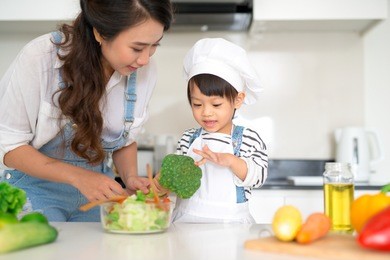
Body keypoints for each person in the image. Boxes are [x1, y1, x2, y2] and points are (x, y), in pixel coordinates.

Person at [0, 0, 173, 222]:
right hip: (34, 192)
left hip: (97, 194)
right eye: (137, 48)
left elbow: (125, 140)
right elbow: (10, 147)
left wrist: (130, 177)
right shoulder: (41, 57)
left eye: (155, 45)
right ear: (100, 33)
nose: (145, 59)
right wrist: (79, 177)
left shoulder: (144, 72)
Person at [165, 38, 268, 223]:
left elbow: (258, 177)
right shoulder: (188, 138)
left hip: (230, 224)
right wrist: (164, 182)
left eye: (216, 104)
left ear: (237, 100)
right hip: (186, 221)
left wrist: (231, 161)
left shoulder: (247, 139)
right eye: (197, 104)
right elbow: (174, 180)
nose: (206, 112)